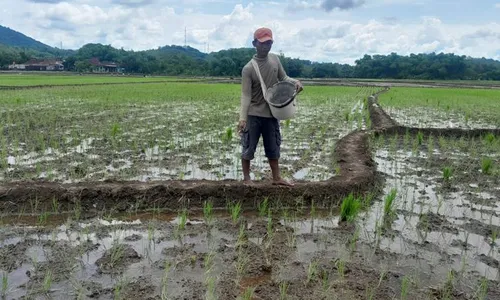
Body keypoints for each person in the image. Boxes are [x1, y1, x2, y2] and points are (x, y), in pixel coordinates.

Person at [238, 27, 303, 186]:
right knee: (248, 147)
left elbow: (284, 77)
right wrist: (242, 118)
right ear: (254, 44)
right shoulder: (248, 69)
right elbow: (246, 95)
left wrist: (295, 82)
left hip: (272, 113)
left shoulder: (275, 60)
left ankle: (277, 178)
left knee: (273, 147)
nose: (266, 46)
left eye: (269, 42)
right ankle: (247, 179)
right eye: (263, 43)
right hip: (254, 114)